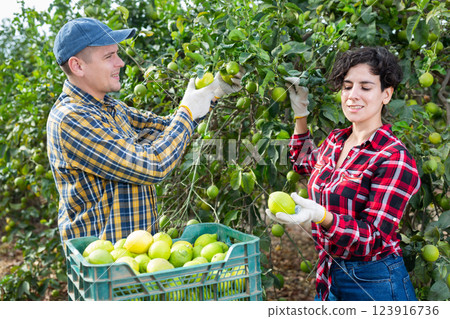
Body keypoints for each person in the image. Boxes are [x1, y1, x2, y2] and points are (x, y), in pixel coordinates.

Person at [47, 18, 244, 244]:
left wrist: (212, 93)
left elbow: (167, 130)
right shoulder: (71, 119)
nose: (120, 63)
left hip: (141, 259)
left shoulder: (111, 107)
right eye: (109, 56)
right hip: (106, 267)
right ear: (77, 66)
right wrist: (188, 112)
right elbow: (152, 165)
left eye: (117, 54)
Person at [266, 47, 421, 301]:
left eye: (365, 87)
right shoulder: (336, 141)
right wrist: (300, 113)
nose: (352, 95)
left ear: (386, 94)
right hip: (328, 277)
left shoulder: (394, 157)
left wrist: (323, 216)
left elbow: (374, 239)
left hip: (375, 282)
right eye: (347, 86)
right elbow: (303, 162)